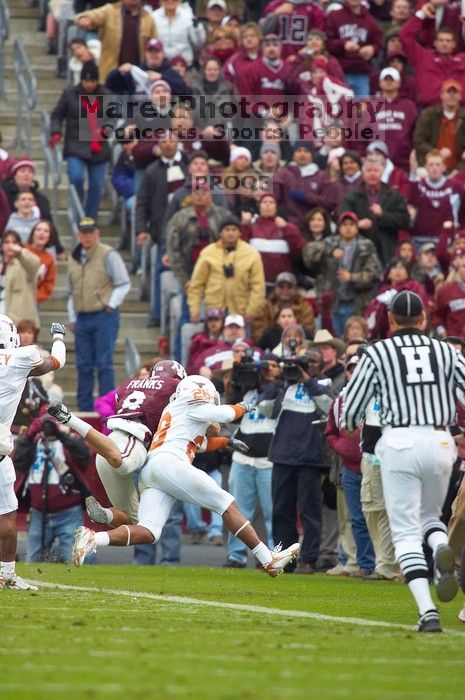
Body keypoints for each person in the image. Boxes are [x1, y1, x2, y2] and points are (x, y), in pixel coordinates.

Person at [72, 374, 301, 577]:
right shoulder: (193, 406)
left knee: (150, 531)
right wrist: (244, 406)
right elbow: (225, 413)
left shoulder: (175, 410)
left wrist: (226, 442)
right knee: (226, 504)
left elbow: (199, 443)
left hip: (154, 469)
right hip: (171, 464)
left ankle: (94, 538)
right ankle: (267, 558)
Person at [343, 289, 464, 632]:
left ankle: (428, 612)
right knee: (430, 517)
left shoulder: (379, 352)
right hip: (440, 440)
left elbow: (351, 412)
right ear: (424, 319)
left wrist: (354, 423)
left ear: (391, 320)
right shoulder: (445, 350)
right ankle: (441, 547)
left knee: (406, 532)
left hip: (398, 440)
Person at [49, 360, 187, 529]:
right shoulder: (175, 386)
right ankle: (70, 419)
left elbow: (112, 400)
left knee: (137, 522)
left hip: (109, 448)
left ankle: (104, 513)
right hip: (131, 439)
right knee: (120, 463)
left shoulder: (129, 384)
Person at [0, 315, 67, 590]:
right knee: (6, 514)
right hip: (1, 442)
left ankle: (7, 574)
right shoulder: (20, 358)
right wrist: (59, 337)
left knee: (8, 511)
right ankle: (7, 574)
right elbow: (56, 361)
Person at [67, 217, 131, 411]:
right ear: (79, 235)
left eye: (90, 232)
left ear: (97, 234)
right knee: (83, 364)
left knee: (104, 363)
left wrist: (111, 304)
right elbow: (72, 291)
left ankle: (106, 406)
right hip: (82, 317)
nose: (87, 236)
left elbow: (123, 282)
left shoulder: (108, 254)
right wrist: (72, 317)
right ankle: (84, 408)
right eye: (83, 233)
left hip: (104, 315)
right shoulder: (74, 257)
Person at [13, 414, 91, 564]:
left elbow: (84, 456)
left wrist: (60, 434)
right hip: (38, 514)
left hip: (69, 513)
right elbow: (19, 463)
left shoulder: (68, 441)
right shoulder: (34, 443)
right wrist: (29, 436)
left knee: (75, 561)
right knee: (32, 561)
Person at [303, 210, 382, 336]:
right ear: (339, 227)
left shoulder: (366, 245)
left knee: (354, 338)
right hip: (332, 302)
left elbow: (375, 273)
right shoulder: (330, 242)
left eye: (351, 224)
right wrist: (329, 251)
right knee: (330, 338)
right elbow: (308, 252)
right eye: (344, 225)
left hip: (356, 302)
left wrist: (352, 277)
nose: (348, 228)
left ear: (357, 227)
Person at [50, 62, 113, 221]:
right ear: (81, 80)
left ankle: (90, 220)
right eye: (86, 81)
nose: (89, 85)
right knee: (76, 177)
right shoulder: (70, 93)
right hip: (75, 143)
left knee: (97, 186)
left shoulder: (107, 96)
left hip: (98, 146)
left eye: (92, 81)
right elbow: (57, 114)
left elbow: (112, 119)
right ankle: (78, 213)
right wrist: (56, 131)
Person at [187, 217, 266, 326]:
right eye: (227, 230)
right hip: (214, 311)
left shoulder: (251, 254)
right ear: (220, 233)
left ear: (239, 233)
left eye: (234, 230)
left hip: (240, 311)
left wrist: (251, 312)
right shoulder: (208, 253)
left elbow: (258, 286)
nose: (230, 233)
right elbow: (196, 284)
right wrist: (194, 310)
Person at [340, 159, 410, 265]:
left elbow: (404, 220)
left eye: (376, 171)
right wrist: (357, 224)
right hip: (359, 249)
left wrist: (383, 215)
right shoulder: (352, 196)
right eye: (369, 171)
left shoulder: (394, 196)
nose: (372, 174)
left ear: (381, 173)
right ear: (363, 174)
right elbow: (341, 218)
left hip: (387, 249)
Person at [74, 0, 156, 82]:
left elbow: (154, 49)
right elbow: (91, 16)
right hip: (110, 76)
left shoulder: (149, 19)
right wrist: (83, 19)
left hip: (137, 78)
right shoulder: (109, 11)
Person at [413, 79, 465, 172]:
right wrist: (436, 152)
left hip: (459, 168)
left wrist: (458, 172)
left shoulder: (463, 116)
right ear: (441, 95)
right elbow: (418, 140)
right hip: (431, 167)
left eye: (455, 92)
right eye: (448, 92)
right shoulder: (428, 114)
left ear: (460, 96)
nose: (451, 95)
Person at [0, 231, 41, 329]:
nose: (10, 245)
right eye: (7, 242)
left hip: (20, 323)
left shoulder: (23, 264)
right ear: (2, 246)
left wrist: (21, 251)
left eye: (14, 242)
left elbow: (35, 263)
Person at [26, 221, 58, 305]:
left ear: (50, 236)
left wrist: (34, 297)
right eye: (39, 229)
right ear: (33, 233)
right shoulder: (22, 251)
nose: (42, 233)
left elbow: (48, 285)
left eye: (46, 231)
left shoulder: (49, 259)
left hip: (34, 303)